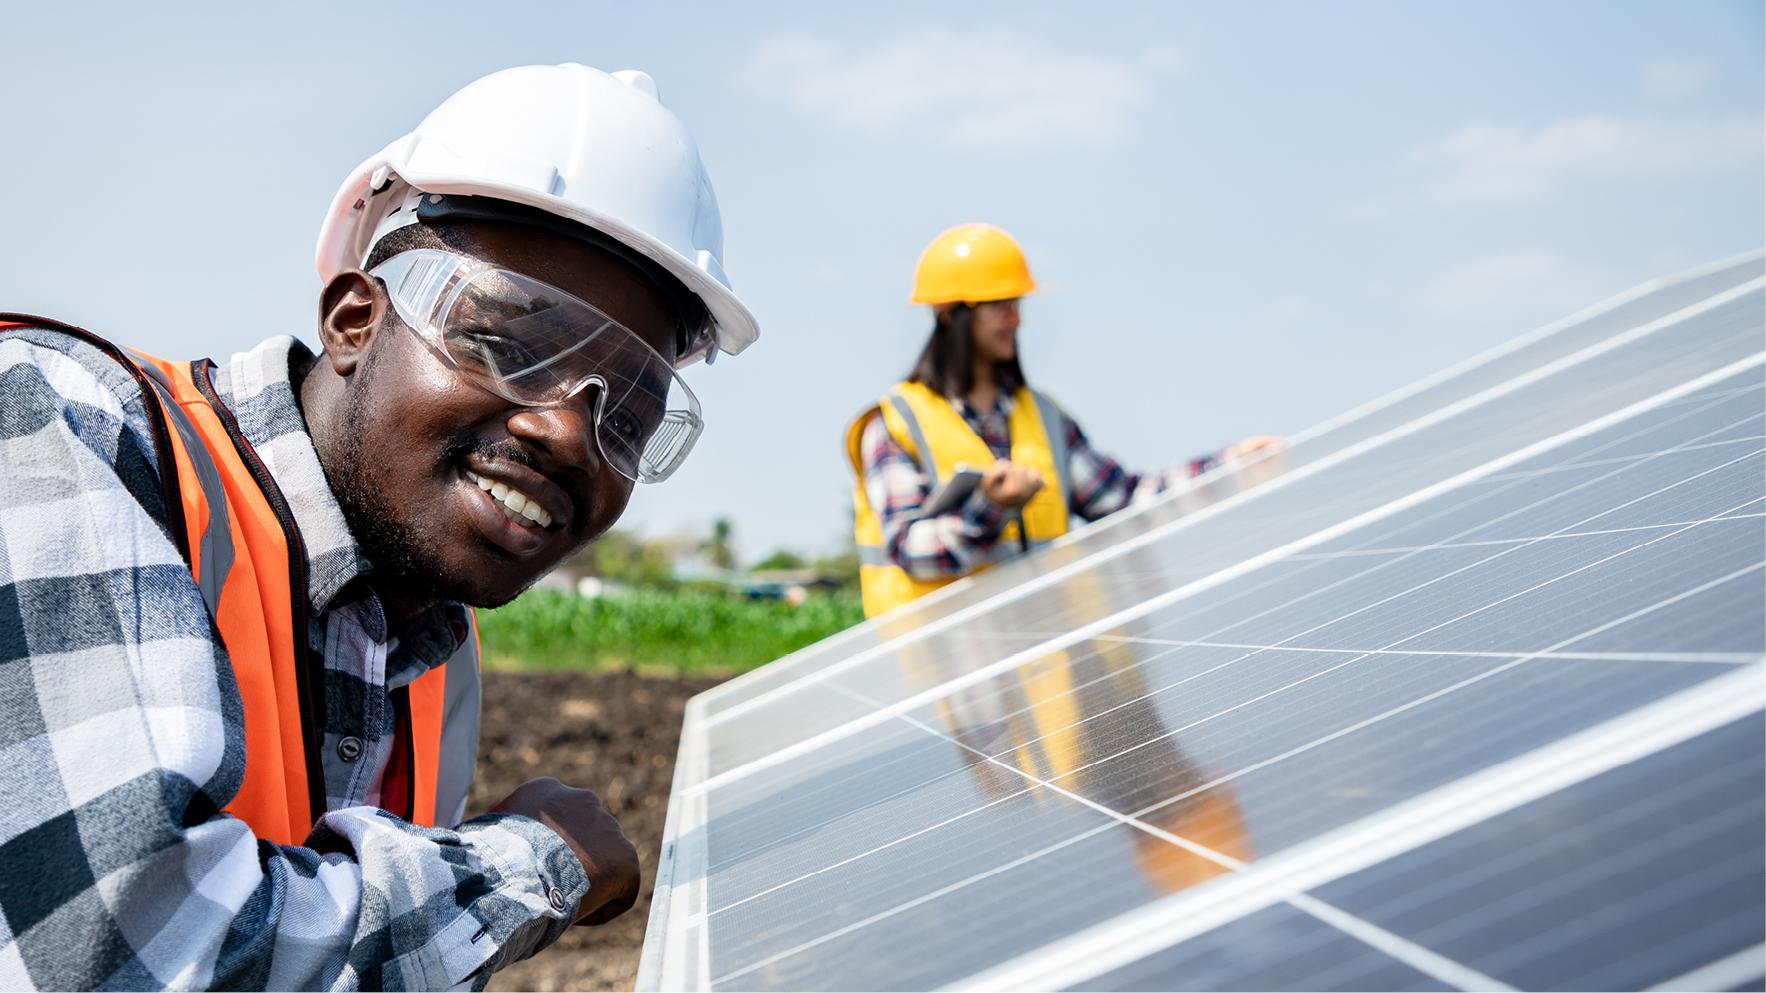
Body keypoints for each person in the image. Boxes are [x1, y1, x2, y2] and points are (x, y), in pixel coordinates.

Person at [0, 63, 757, 990]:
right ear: (355, 320)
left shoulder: (438, 648)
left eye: (630, 416)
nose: (567, 432)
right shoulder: (63, 423)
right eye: (509, 343)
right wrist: (531, 864)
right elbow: (119, 951)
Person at [846, 223, 1276, 617]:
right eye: (998, 305)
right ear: (948, 312)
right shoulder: (895, 425)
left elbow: (1125, 499)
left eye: (1016, 303)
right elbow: (909, 551)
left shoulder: (1045, 417)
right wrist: (990, 510)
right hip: (953, 681)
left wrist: (1228, 468)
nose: (1015, 318)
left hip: (1051, 671)